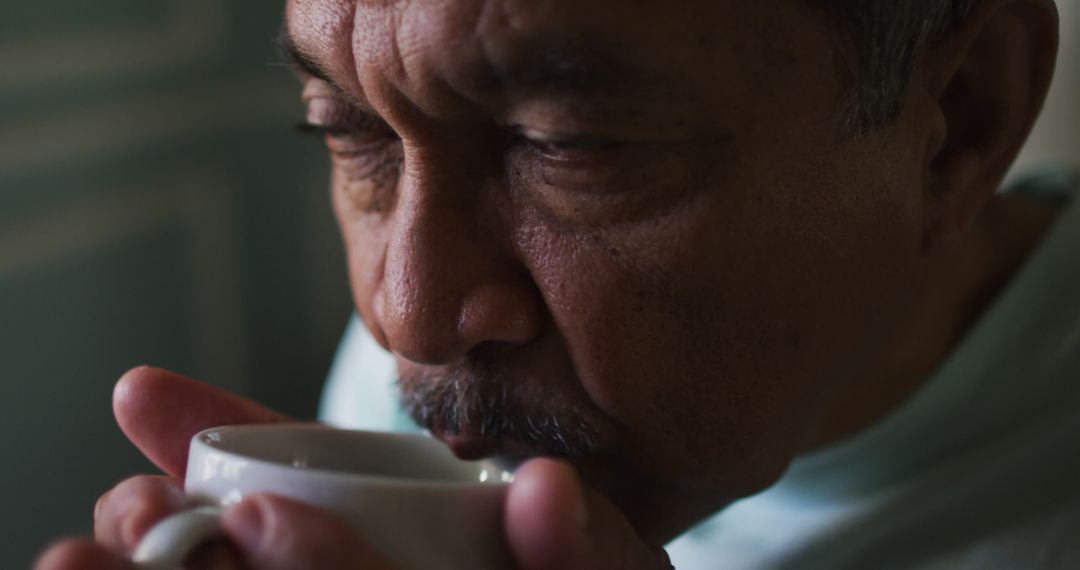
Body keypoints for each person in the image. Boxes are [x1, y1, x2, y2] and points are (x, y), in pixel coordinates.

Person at [35, 0, 1076, 568]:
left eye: (565, 146)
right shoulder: (414, 399)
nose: (407, 318)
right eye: (349, 134)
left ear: (959, 127)